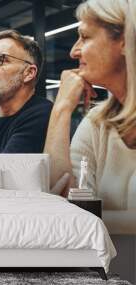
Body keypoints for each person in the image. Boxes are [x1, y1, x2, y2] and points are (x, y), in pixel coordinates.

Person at [44, 0, 136, 231]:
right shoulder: (98, 122)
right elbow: (58, 201)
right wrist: (61, 109)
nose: (73, 51)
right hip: (107, 265)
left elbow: (71, 218)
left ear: (125, 40)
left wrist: (85, 220)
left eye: (84, 37)